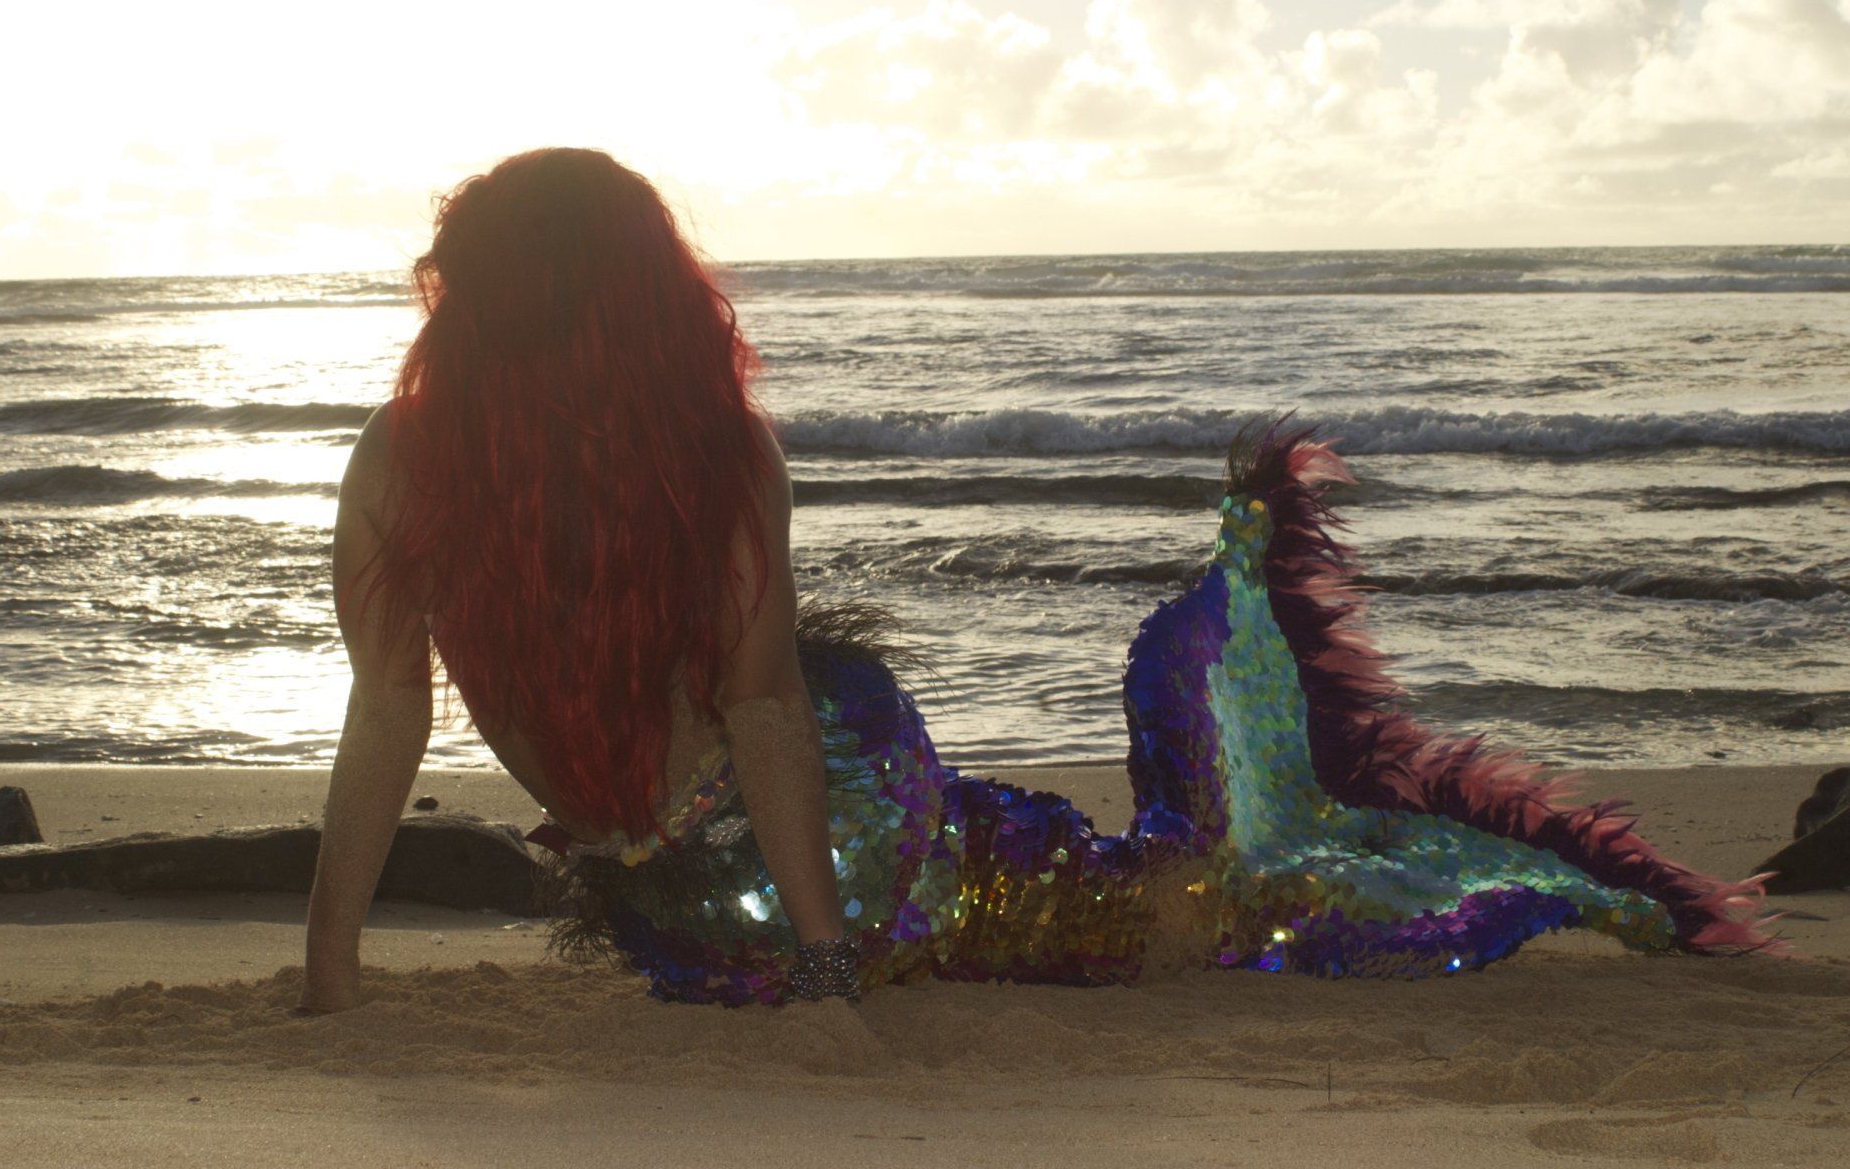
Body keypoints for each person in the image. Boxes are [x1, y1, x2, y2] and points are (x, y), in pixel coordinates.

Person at [301, 148, 1770, 1014]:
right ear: (643, 298)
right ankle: (1512, 866)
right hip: (838, 864)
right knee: (1163, 902)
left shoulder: (405, 458)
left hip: (680, 918)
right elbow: (761, 707)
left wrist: (331, 970)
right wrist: (829, 965)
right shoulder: (713, 445)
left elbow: (389, 721)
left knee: (1111, 893)